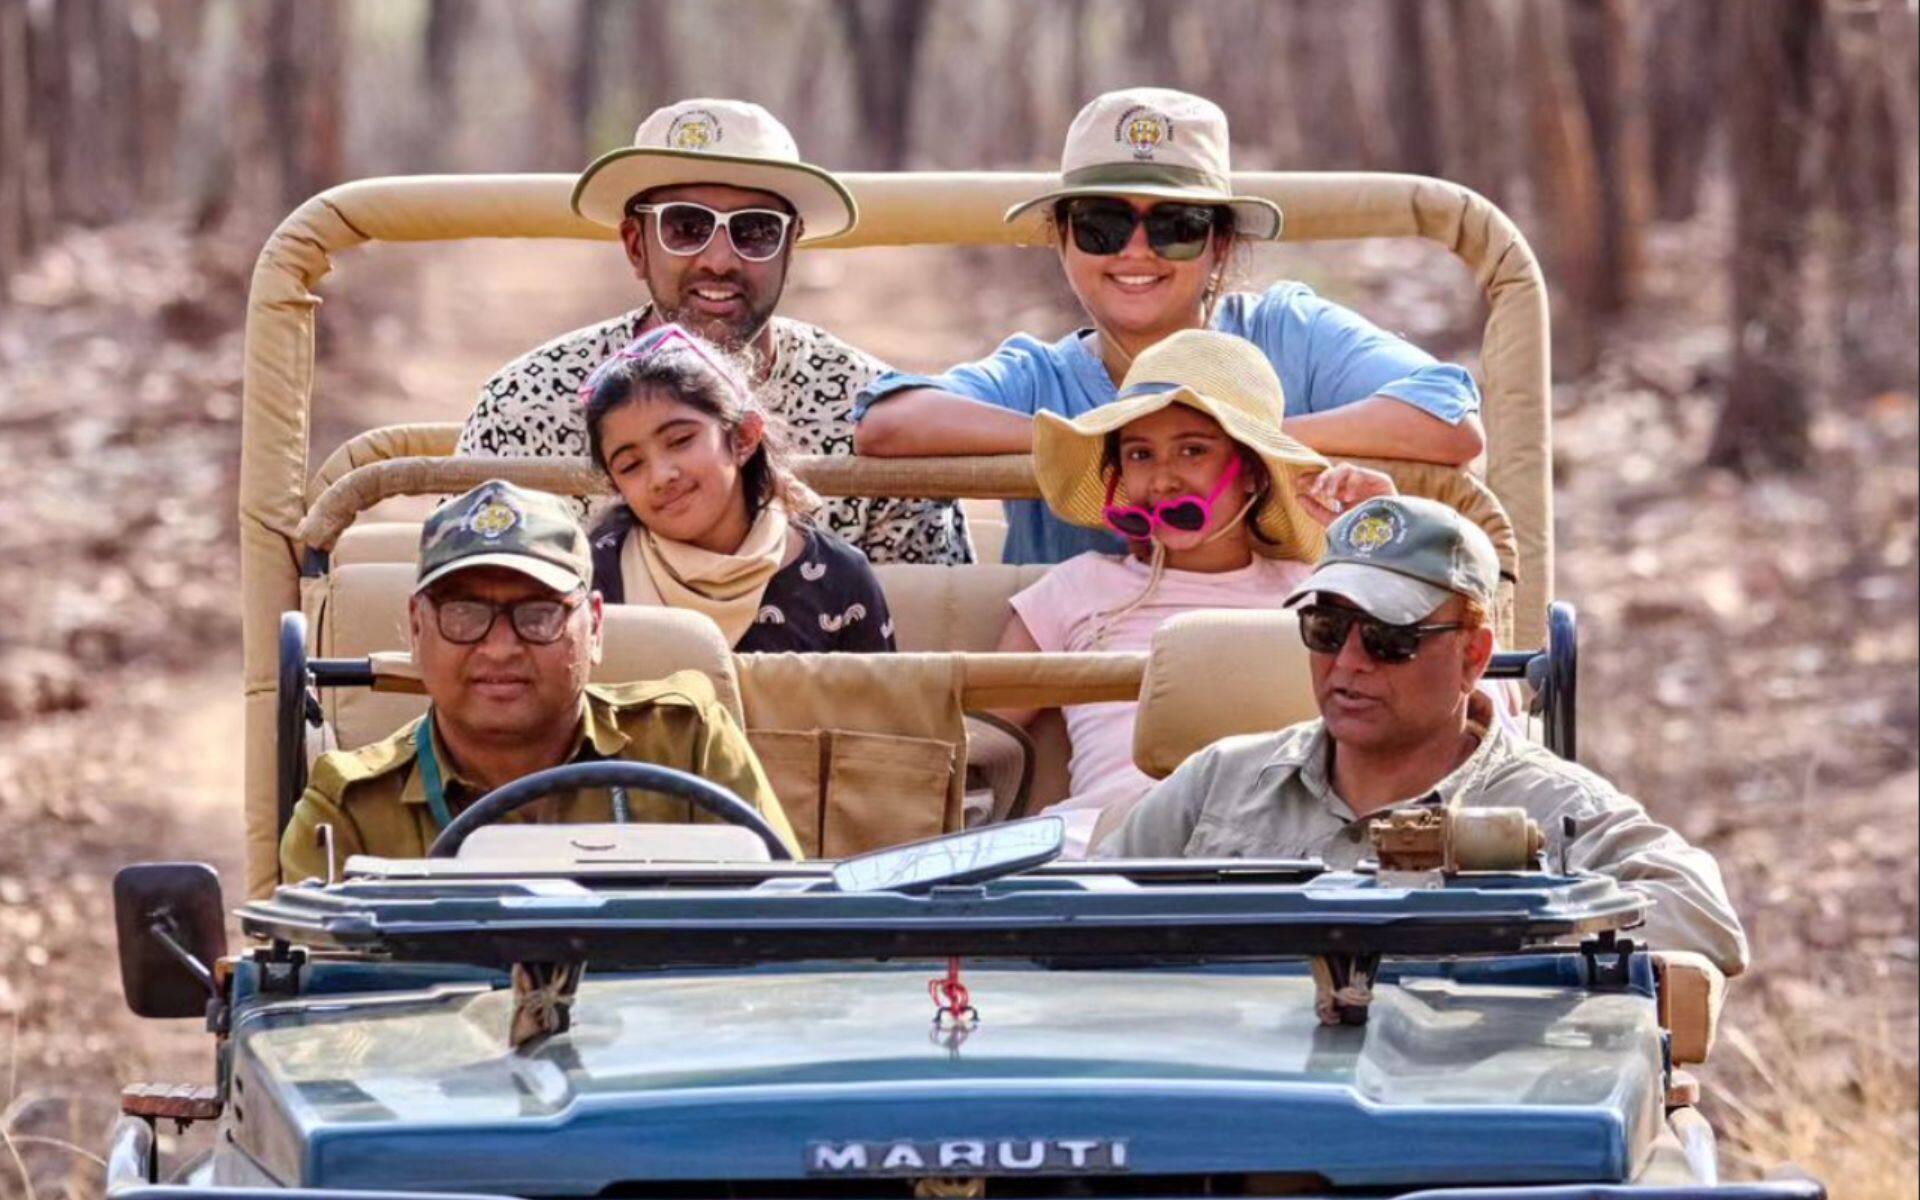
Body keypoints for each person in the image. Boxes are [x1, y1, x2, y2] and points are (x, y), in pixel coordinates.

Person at [1098, 495, 1748, 976]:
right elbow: (1076, 912)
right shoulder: (1224, 781)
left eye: (1390, 639)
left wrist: (1491, 933)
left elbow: (1703, 919)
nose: (1349, 663)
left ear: (1473, 655)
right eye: (1326, 629)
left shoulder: (1550, 807)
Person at [854, 87, 1484, 565]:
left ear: (1220, 244)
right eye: (1102, 224)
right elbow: (889, 423)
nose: (1135, 252)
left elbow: (1449, 418)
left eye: (1175, 227)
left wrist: (1247, 441)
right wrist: (1091, 443)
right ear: (1062, 239)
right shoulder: (1040, 376)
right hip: (1082, 707)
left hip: (1285, 685)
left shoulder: (1289, 331)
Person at [457, 98, 970, 566]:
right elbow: (464, 604)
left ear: (792, 247)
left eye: (756, 230)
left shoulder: (873, 414)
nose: (719, 260)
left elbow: (920, 639)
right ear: (636, 245)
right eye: (685, 227)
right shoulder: (527, 402)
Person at [995, 329, 1406, 853]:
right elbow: (977, 731)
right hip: (1105, 840)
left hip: (1275, 842)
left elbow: (1439, 693)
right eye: (1140, 455)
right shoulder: (1078, 585)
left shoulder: (1316, 591)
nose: (1162, 481)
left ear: (1254, 472)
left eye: (1192, 451)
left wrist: (1384, 540)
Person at [279, 480, 798, 882]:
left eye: (538, 614)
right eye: (464, 614)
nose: (500, 647)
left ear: (594, 626)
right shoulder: (351, 807)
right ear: (417, 627)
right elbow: (320, 1007)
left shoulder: (686, 745)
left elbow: (785, 936)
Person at [581, 323, 894, 652]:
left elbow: (877, 702)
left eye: (680, 440)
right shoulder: (593, 579)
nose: (660, 476)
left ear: (743, 437)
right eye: (630, 465)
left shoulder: (839, 578)